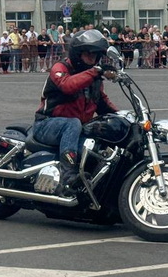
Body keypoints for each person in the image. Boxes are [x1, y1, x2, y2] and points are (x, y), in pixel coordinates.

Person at [32, 29, 118, 193]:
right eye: (88, 54)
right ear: (78, 53)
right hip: (46, 124)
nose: (92, 58)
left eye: (95, 55)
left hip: (75, 129)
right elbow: (67, 86)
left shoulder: (94, 80)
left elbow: (103, 104)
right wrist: (95, 72)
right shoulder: (61, 68)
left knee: (99, 143)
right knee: (73, 123)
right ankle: (67, 175)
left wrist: (124, 117)